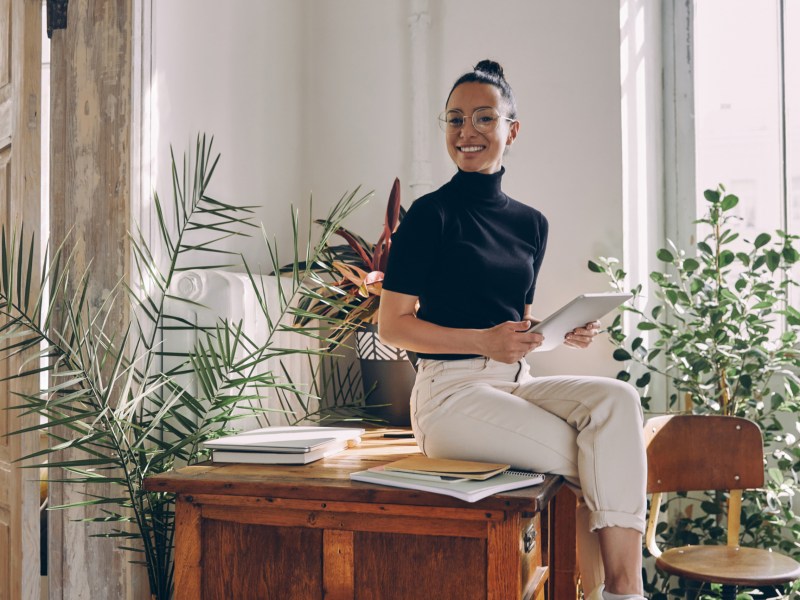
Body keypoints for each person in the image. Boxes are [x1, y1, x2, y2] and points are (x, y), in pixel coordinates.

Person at [378, 59, 647, 600]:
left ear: (511, 130)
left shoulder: (531, 223)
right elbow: (393, 327)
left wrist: (559, 330)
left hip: (517, 382)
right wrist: (482, 342)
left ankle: (621, 589)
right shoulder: (430, 216)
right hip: (449, 396)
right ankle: (623, 592)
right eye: (454, 120)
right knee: (600, 456)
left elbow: (515, 321)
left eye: (483, 118)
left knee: (617, 403)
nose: (466, 132)